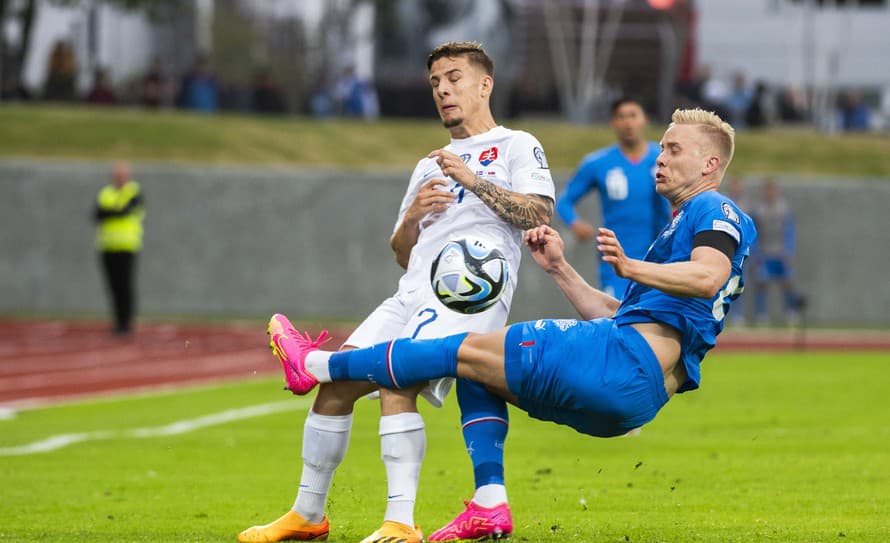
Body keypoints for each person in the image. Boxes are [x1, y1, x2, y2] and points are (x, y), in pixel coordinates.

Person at [266, 108, 756, 534]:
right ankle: (488, 502)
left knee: (461, 348)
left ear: (710, 163)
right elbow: (620, 313)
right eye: (662, 148)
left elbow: (708, 275)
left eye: (672, 149)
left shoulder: (714, 207)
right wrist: (561, 270)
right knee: (480, 368)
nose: (660, 157)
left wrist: (628, 267)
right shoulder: (680, 224)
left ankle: (315, 363)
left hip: (622, 363)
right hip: (631, 393)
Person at [238, 41, 555, 543]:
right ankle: (307, 514)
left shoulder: (517, 144)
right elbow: (402, 252)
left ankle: (400, 523)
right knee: (337, 389)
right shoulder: (429, 163)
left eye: (453, 78)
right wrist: (411, 219)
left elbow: (537, 212)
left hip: (470, 291)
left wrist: (473, 181)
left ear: (484, 84)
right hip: (412, 292)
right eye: (435, 83)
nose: (443, 90)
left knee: (395, 379)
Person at [555, 97, 671, 298]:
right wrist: (574, 223)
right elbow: (564, 201)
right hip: (615, 261)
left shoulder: (663, 158)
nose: (628, 123)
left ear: (644, 120)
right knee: (616, 316)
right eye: (621, 117)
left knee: (656, 322)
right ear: (613, 123)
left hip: (658, 258)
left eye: (633, 116)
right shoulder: (598, 163)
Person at [92, 161, 144, 336]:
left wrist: (111, 212)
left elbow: (126, 211)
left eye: (122, 175)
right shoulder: (105, 193)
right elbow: (97, 215)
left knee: (125, 286)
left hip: (127, 246)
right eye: (117, 175)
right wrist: (116, 211)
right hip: (107, 246)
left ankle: (126, 323)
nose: (119, 178)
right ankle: (117, 321)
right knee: (113, 286)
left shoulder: (134, 192)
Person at [750, 178, 799, 326]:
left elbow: (789, 231)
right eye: (767, 190)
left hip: (780, 253)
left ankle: (791, 312)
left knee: (788, 283)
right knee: (761, 283)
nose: (769, 193)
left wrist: (789, 251)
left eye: (772, 190)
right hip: (764, 254)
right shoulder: (758, 210)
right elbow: (754, 233)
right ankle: (761, 315)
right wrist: (755, 254)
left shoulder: (783, 208)